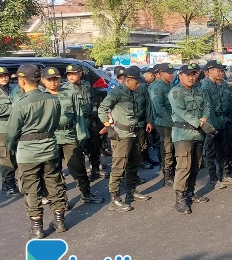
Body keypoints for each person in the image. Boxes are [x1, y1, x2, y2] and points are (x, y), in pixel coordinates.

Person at [7, 65, 64, 239]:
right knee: (55, 184)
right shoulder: (53, 99)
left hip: (27, 153)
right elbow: (55, 124)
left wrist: (12, 148)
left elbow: (11, 133)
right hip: (50, 148)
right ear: (40, 79)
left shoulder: (20, 104)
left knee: (31, 189)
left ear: (22, 81)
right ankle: (60, 221)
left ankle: (37, 228)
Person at [42, 67, 104, 204]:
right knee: (53, 171)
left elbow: (78, 116)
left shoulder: (69, 93)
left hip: (69, 135)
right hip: (50, 138)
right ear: (42, 80)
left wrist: (82, 135)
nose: (53, 82)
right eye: (49, 79)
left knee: (78, 166)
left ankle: (86, 193)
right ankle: (60, 200)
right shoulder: (41, 96)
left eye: (56, 79)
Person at [98, 66, 152, 212]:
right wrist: (108, 127)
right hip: (121, 135)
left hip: (134, 133)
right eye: (136, 81)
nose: (139, 84)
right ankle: (115, 199)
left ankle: (131, 191)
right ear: (128, 80)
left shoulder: (133, 91)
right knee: (118, 167)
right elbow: (102, 109)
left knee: (134, 163)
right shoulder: (117, 92)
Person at [169, 64, 215, 214]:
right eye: (187, 74)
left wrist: (204, 118)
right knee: (184, 167)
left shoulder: (199, 90)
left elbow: (207, 106)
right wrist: (198, 122)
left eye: (193, 74)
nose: (191, 77)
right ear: (180, 75)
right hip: (183, 134)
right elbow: (180, 111)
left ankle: (190, 192)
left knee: (196, 165)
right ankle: (180, 200)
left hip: (198, 134)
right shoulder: (175, 92)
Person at [202, 60, 232, 188]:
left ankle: (224, 175)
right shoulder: (205, 86)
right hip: (212, 123)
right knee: (211, 152)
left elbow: (229, 102)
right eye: (219, 70)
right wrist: (212, 126)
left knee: (224, 149)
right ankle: (213, 178)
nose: (221, 73)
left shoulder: (223, 84)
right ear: (210, 71)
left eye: (222, 70)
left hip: (224, 120)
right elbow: (207, 108)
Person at [64, 64, 106, 181]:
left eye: (74, 74)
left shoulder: (86, 85)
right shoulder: (65, 90)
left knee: (95, 145)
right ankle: (81, 175)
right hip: (78, 122)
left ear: (80, 73)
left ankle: (95, 169)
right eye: (68, 74)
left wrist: (94, 112)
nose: (71, 76)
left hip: (91, 120)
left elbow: (93, 101)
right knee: (79, 149)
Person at [149, 63, 176, 187]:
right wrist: (172, 120)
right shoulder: (157, 87)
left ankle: (172, 171)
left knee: (173, 148)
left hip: (172, 121)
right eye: (169, 73)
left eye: (172, 72)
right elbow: (158, 107)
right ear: (160, 73)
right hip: (164, 123)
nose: (172, 75)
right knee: (167, 149)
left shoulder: (167, 85)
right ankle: (167, 176)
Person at [0, 67, 18, 197]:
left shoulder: (13, 90)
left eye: (5, 76)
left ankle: (12, 182)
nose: (4, 78)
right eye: (1, 76)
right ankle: (8, 185)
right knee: (6, 158)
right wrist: (13, 108)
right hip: (2, 128)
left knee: (15, 156)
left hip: (15, 126)